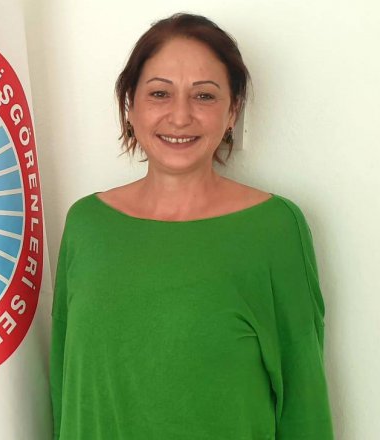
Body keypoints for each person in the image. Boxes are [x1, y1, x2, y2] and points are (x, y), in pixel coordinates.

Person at [50, 13, 333, 439]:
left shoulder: (274, 228)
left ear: (232, 111)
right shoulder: (87, 225)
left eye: (204, 96)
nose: (180, 116)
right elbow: (65, 388)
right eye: (159, 93)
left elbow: (303, 401)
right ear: (130, 106)